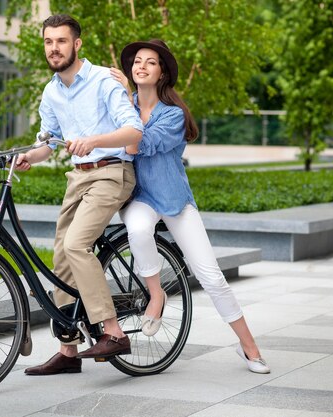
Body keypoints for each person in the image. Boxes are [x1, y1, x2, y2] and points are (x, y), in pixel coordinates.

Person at [111, 39, 271, 374]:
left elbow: (139, 144)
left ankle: (249, 346)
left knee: (212, 277)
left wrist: (124, 105)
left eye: (150, 62)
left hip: (173, 200)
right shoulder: (121, 107)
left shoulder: (173, 116)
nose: (140, 66)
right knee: (138, 228)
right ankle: (157, 295)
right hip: (139, 197)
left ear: (162, 72)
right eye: (137, 61)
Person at [15, 15, 144, 375]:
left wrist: (93, 141)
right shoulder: (51, 91)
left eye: (60, 41)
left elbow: (134, 131)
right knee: (61, 259)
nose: (53, 48)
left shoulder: (103, 80)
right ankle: (68, 352)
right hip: (78, 178)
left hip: (112, 173)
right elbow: (48, 142)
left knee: (76, 245)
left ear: (77, 44)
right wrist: (29, 156)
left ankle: (114, 331)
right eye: (47, 42)